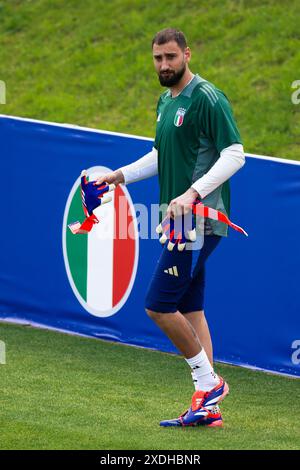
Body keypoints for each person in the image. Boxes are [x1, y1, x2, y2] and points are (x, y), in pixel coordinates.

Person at [95, 28, 245, 427]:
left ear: (187, 55)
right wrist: (119, 176)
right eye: (158, 58)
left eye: (171, 57)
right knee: (189, 308)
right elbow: (161, 155)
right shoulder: (165, 101)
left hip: (197, 220)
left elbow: (235, 155)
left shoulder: (208, 99)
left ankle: (209, 383)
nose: (164, 65)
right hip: (179, 220)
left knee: (158, 305)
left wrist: (193, 194)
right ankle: (207, 407)